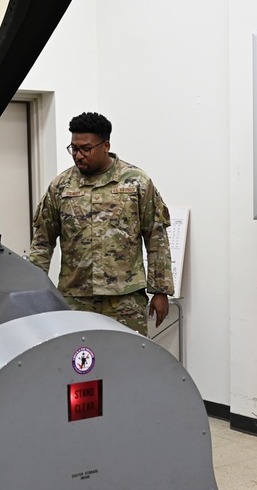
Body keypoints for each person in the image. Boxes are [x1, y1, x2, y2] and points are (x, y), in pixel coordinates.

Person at [29, 112, 173, 336]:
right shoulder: (61, 186)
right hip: (76, 298)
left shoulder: (136, 182)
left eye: (86, 149)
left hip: (125, 300)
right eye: (74, 149)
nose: (78, 155)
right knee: (78, 365)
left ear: (106, 145)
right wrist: (34, 290)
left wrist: (161, 291)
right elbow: (42, 242)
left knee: (128, 362)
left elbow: (156, 237)